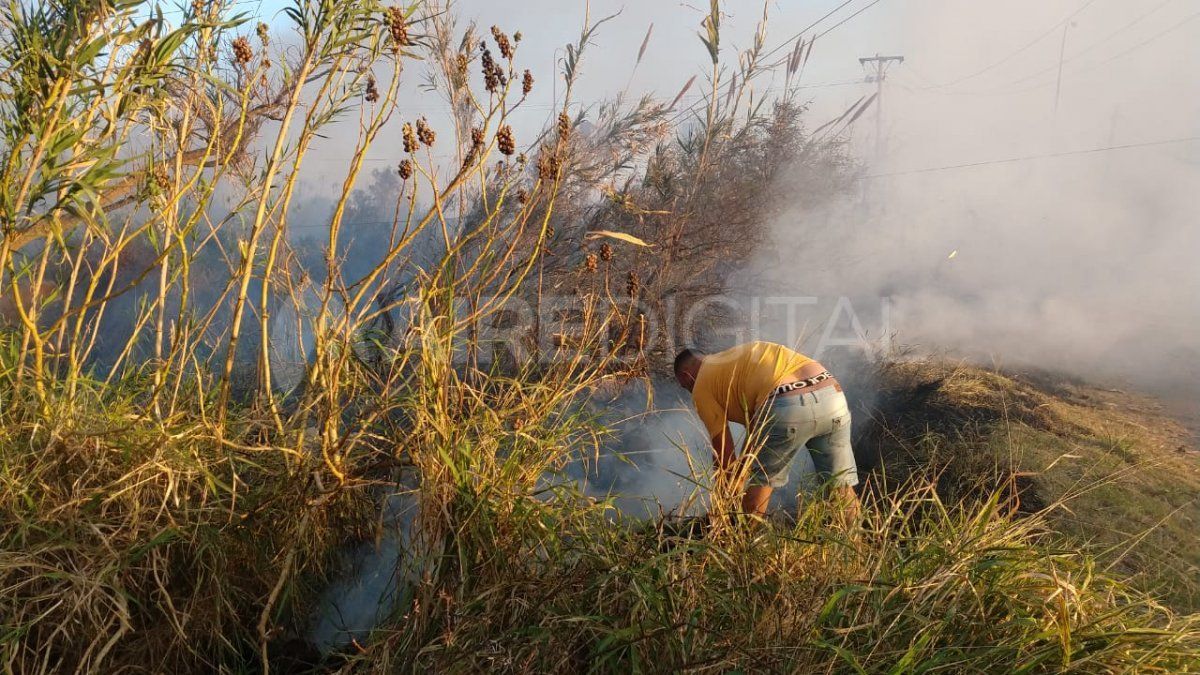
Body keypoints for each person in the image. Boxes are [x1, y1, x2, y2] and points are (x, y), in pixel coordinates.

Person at [673, 341, 860, 520]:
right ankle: (858, 546)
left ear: (686, 376)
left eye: (685, 387)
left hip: (786, 401)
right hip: (831, 393)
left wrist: (723, 504)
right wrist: (740, 474)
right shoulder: (731, 362)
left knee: (760, 481)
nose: (689, 391)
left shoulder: (701, 386)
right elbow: (756, 436)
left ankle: (742, 545)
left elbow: (724, 455)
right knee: (840, 486)